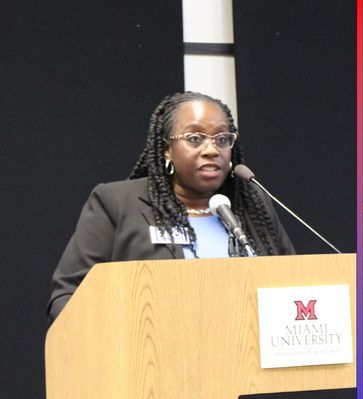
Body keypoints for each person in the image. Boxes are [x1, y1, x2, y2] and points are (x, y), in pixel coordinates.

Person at [48, 91, 295, 323]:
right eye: (195, 139)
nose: (211, 150)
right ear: (167, 149)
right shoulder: (117, 203)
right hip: (146, 360)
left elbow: (294, 286)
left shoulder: (252, 205)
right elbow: (68, 295)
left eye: (222, 139)